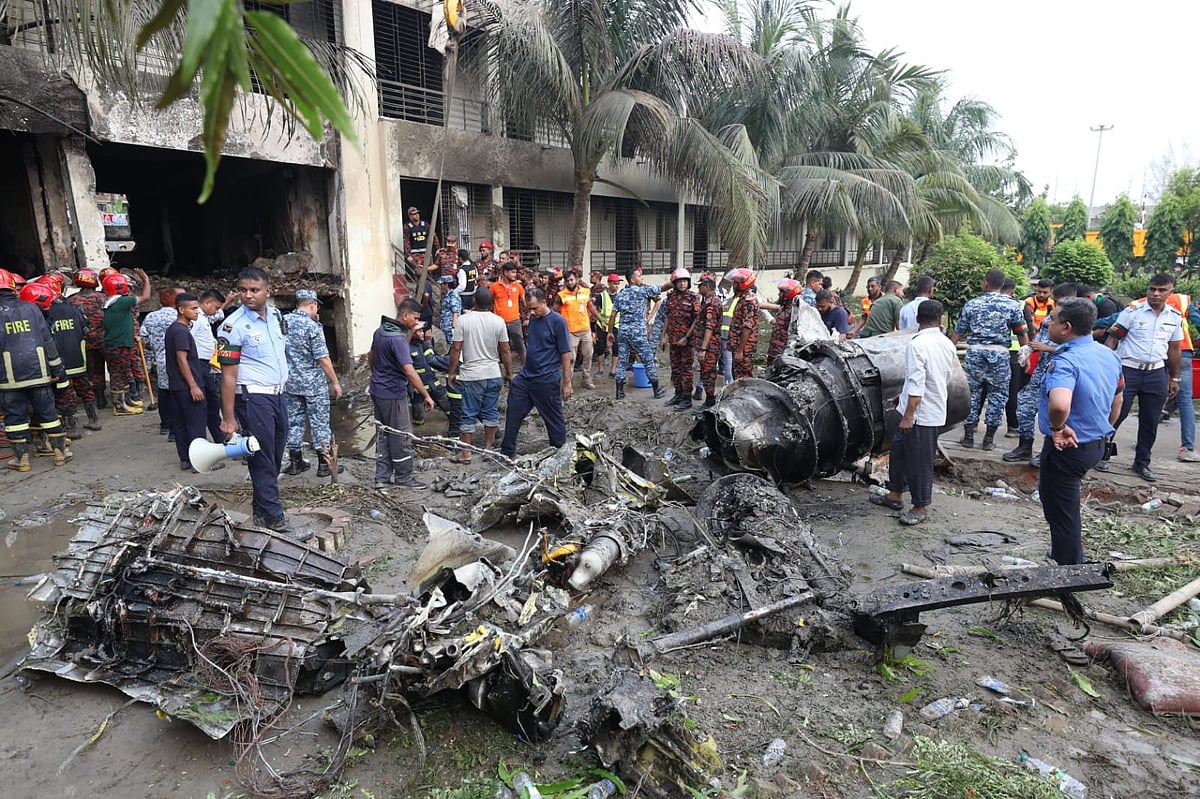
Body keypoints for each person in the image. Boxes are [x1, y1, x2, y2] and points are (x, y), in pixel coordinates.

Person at [1038, 298, 1123, 565]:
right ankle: (1064, 557)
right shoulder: (1108, 355)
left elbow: (1060, 403)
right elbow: (1117, 399)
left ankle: (1068, 569)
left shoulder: (1066, 360)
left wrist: (1058, 428)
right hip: (1096, 443)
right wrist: (1105, 429)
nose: (1047, 323)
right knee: (1064, 504)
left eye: (1052, 319)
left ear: (1066, 327)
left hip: (1068, 447)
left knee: (1061, 510)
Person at [217, 267, 293, 533]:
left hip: (278, 394)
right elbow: (227, 376)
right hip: (252, 397)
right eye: (243, 290)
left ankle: (261, 511)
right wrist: (228, 418)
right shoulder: (232, 326)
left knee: (274, 456)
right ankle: (275, 519)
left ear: (267, 291)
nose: (248, 295)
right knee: (261, 456)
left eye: (254, 290)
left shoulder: (276, 316)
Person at [870, 300, 957, 525]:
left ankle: (920, 506)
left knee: (920, 461)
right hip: (928, 406)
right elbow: (940, 378)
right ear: (940, 320)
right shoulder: (947, 343)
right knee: (898, 452)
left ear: (917, 319)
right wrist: (903, 397)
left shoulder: (917, 344)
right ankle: (895, 494)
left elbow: (918, 384)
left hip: (921, 414)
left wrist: (909, 416)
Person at [1101, 273, 1183, 482]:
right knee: (1116, 414)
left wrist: (1174, 378)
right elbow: (1112, 340)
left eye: (1161, 290)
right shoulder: (1132, 312)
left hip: (1156, 373)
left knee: (1150, 420)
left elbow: (1174, 349)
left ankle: (1142, 463)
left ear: (1170, 292)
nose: (1155, 293)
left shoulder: (1174, 317)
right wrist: (1106, 368)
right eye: (1152, 289)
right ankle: (1103, 455)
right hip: (1127, 370)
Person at [950, 269, 1029, 450]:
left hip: (975, 355)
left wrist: (947, 353)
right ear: (1002, 285)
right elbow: (1022, 334)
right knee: (998, 396)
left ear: (986, 283)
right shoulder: (1013, 306)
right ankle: (988, 440)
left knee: (973, 394)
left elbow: (958, 332)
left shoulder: (972, 304)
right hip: (1000, 355)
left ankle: (969, 437)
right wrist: (1025, 358)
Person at [1, 268, 70, 470]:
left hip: (8, 377)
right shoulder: (31, 309)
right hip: (38, 372)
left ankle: (22, 460)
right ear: (12, 288)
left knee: (15, 418)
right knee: (48, 413)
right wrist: (59, 372)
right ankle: (60, 453)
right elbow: (48, 342)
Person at [1003, 283, 1077, 465]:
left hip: (1063, 375)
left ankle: (1049, 451)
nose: (1058, 306)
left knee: (1054, 414)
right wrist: (1028, 350)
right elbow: (1038, 339)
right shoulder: (1050, 319)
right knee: (1024, 407)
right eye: (1057, 302)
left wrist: (1049, 348)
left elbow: (1077, 348)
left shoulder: (1078, 322)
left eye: (1062, 303)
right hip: (1042, 372)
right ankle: (1025, 446)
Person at [369, 300, 435, 489]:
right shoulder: (398, 340)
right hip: (393, 393)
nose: (416, 323)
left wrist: (376, 375)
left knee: (383, 434)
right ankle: (404, 477)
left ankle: (381, 478)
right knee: (401, 435)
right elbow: (409, 371)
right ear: (404, 315)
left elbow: (371, 356)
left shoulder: (379, 332)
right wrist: (427, 396)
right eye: (415, 318)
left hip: (378, 391)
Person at [500, 287, 572, 458]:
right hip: (526, 377)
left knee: (553, 419)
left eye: (534, 308)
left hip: (547, 379)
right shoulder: (533, 320)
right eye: (529, 309)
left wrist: (567, 382)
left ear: (543, 302)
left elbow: (565, 353)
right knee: (513, 412)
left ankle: (560, 454)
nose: (532, 312)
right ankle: (507, 452)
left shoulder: (557, 322)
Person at [283, 289, 343, 477]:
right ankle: (324, 465)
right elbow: (323, 358)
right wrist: (335, 382)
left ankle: (295, 462)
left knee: (294, 422)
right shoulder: (313, 327)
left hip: (290, 382)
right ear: (312, 305)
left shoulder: (283, 322)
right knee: (319, 423)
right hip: (313, 384)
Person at [448, 288, 511, 462]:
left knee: (468, 413)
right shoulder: (499, 322)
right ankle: (488, 450)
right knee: (491, 411)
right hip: (492, 373)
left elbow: (456, 348)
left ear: (474, 300)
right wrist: (509, 373)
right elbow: (505, 350)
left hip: (472, 375)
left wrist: (451, 373)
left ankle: (466, 453)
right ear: (492, 303)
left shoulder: (463, 321)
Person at [164, 293, 209, 472]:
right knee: (196, 425)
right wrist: (193, 385)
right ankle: (200, 462)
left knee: (181, 424)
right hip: (187, 387)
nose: (197, 311)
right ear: (181, 310)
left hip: (175, 386)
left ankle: (185, 459)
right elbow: (182, 360)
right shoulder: (181, 332)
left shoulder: (174, 330)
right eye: (193, 308)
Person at [100, 268, 152, 416]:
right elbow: (146, 297)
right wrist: (146, 280)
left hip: (115, 344)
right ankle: (119, 406)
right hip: (118, 345)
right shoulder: (121, 302)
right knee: (119, 375)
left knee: (120, 372)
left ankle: (125, 401)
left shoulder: (110, 301)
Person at [610, 267, 666, 399]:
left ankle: (619, 392)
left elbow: (613, 315)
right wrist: (675, 280)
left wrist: (610, 332)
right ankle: (656, 390)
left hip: (623, 332)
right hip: (638, 333)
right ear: (632, 279)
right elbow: (663, 288)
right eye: (639, 276)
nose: (642, 278)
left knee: (622, 361)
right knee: (648, 359)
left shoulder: (621, 294)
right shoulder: (643, 291)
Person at [141, 286, 185, 437]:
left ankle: (166, 425)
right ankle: (176, 429)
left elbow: (144, 339)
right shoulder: (181, 316)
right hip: (181, 361)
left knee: (164, 393)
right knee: (179, 394)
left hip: (161, 360)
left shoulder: (151, 317)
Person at [656, 268, 701, 407]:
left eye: (685, 281)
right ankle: (678, 394)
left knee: (686, 369)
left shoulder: (694, 298)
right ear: (674, 283)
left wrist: (686, 337)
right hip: (673, 339)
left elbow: (697, 320)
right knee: (675, 368)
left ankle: (687, 398)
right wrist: (662, 336)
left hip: (687, 341)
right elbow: (668, 317)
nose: (682, 284)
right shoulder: (671, 297)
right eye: (679, 281)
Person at [67, 268, 108, 409]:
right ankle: (120, 397)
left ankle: (97, 398)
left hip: (83, 342)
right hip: (104, 339)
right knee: (113, 368)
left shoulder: (71, 300)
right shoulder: (102, 297)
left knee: (92, 370)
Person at [194, 289, 229, 443]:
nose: (216, 311)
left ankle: (219, 437)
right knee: (210, 402)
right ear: (207, 303)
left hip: (207, 363)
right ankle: (217, 438)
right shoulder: (196, 319)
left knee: (213, 401)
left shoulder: (203, 317)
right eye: (215, 307)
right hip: (199, 364)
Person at [558, 269, 598, 389]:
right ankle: (567, 383)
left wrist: (599, 319)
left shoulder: (585, 292)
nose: (570, 282)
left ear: (577, 280)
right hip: (570, 331)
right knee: (571, 359)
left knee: (588, 355)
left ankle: (586, 379)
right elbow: (555, 312)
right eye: (567, 281)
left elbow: (590, 306)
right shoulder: (561, 295)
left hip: (585, 329)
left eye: (571, 280)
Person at [690, 272, 723, 408]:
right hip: (706, 345)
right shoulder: (707, 301)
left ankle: (710, 401)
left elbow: (709, 327)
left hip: (710, 346)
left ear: (708, 286)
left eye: (701, 286)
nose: (698, 289)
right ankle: (708, 400)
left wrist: (703, 348)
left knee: (708, 373)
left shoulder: (712, 303)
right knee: (705, 372)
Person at [722, 268, 759, 380]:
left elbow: (747, 328)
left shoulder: (748, 302)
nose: (733, 286)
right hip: (737, 345)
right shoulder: (741, 299)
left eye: (735, 283)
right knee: (736, 374)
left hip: (743, 348)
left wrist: (740, 350)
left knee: (742, 378)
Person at [491, 262, 526, 367]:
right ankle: (501, 367)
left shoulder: (518, 286)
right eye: (513, 272)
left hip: (515, 320)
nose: (515, 275)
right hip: (499, 321)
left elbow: (524, 302)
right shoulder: (494, 286)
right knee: (500, 345)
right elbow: (488, 300)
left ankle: (526, 365)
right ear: (505, 273)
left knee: (520, 344)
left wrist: (527, 315)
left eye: (515, 272)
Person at [768, 278, 802, 364]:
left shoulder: (796, 312)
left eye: (781, 292)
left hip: (784, 353)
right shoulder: (783, 308)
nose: (779, 294)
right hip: (774, 350)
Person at [592, 273, 617, 378]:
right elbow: (593, 308)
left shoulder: (620, 296)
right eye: (614, 283)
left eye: (617, 284)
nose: (616, 286)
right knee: (600, 347)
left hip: (616, 325)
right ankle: (601, 369)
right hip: (603, 325)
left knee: (617, 347)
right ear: (609, 284)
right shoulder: (602, 296)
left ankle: (613, 370)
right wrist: (600, 320)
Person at [403, 206, 433, 272]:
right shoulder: (407, 226)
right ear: (410, 216)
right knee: (418, 272)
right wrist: (408, 255)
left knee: (429, 272)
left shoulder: (425, 225)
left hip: (426, 252)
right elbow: (406, 241)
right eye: (414, 214)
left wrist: (437, 249)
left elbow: (433, 236)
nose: (416, 215)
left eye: (417, 213)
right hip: (415, 253)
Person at [436, 273, 462, 349]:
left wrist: (454, 327)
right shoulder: (447, 295)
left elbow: (455, 312)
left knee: (453, 346)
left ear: (446, 284)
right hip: (446, 325)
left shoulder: (453, 295)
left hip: (450, 326)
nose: (441, 286)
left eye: (442, 284)